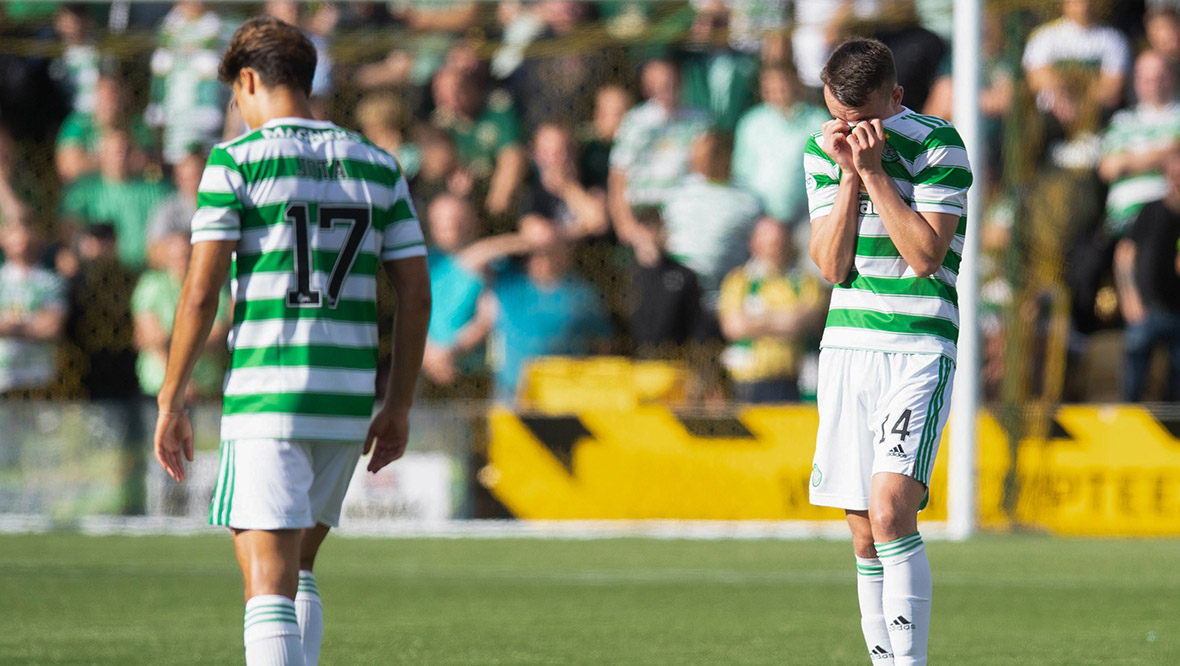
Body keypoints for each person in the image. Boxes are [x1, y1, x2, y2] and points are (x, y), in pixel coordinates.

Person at [151, 16, 431, 666]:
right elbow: (415, 295)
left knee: (266, 582)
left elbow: (200, 293)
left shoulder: (235, 162)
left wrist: (172, 399)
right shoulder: (378, 164)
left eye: (234, 95)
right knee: (296, 566)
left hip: (267, 395)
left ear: (248, 81)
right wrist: (398, 405)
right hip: (343, 400)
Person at [804, 38, 971, 665]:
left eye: (860, 116)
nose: (846, 128)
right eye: (836, 113)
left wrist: (874, 171)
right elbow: (831, 264)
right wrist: (848, 172)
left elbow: (926, 257)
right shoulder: (822, 150)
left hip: (918, 345)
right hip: (848, 347)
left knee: (892, 509)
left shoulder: (937, 143)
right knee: (863, 531)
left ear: (895, 98)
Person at [718, 217, 826, 403]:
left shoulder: (806, 282)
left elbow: (810, 320)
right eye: (769, 243)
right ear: (754, 244)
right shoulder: (738, 281)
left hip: (795, 382)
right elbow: (734, 327)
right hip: (746, 383)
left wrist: (756, 321)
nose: (774, 249)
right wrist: (787, 319)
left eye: (778, 243)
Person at [607, 59, 711, 244]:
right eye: (660, 85)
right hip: (644, 219)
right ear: (647, 88)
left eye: (671, 83)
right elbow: (618, 180)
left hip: (686, 219)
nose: (667, 89)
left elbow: (705, 174)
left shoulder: (700, 122)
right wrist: (627, 227)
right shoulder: (633, 123)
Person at [1114, 150, 1180, 402]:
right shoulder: (1151, 211)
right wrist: (1130, 298)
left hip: (1177, 312)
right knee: (1134, 382)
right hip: (1146, 310)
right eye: (1173, 174)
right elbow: (1125, 254)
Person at [59, 129, 173, 270]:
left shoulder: (156, 188)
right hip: (104, 271)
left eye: (127, 150)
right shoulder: (85, 190)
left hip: (153, 268)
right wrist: (85, 245)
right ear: (101, 154)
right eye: (115, 152)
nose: (121, 157)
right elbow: (69, 227)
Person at [732, 64, 830, 226]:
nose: (777, 91)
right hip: (760, 218)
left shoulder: (818, 119)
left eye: (782, 85)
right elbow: (742, 172)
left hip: (808, 215)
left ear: (795, 84)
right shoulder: (751, 121)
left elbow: (827, 169)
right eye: (770, 87)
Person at [0, 218, 67, 395]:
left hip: (39, 378)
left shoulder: (50, 282)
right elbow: (41, 327)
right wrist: (32, 326)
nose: (22, 246)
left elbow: (52, 328)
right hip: (4, 376)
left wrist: (10, 327)